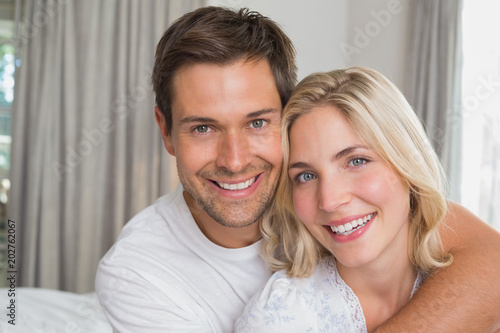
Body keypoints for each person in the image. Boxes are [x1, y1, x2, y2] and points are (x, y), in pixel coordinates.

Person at [95, 6, 500, 333]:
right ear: (165, 131)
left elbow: (490, 259)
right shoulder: (136, 274)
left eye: (257, 123)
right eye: (203, 128)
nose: (234, 160)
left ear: (287, 117)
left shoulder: (359, 203)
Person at [235, 66, 454, 332]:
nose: (329, 201)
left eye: (356, 161)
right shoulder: (278, 316)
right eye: (306, 176)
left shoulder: (472, 284)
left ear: (407, 162)